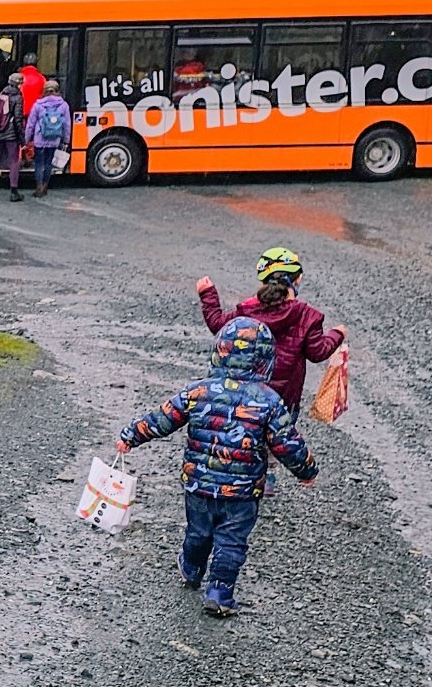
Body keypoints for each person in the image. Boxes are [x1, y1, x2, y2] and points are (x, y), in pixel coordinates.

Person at [118, 315, 318, 617]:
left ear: (219, 351)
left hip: (198, 483)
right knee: (231, 541)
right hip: (242, 492)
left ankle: (191, 566)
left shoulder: (198, 391)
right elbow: (286, 443)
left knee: (198, 532)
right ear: (265, 360)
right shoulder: (269, 401)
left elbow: (162, 418)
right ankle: (220, 592)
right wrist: (306, 470)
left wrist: (131, 436)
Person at [196, 246, 346, 414]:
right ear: (298, 279)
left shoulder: (247, 310)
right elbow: (317, 352)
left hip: (245, 395)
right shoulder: (307, 316)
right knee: (281, 437)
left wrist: (208, 294)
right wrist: (337, 334)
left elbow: (217, 324)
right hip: (284, 400)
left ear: (262, 280)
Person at [26, 82, 73, 197]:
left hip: (39, 139)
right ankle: (45, 186)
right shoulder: (64, 105)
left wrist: (26, 139)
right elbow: (67, 124)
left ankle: (38, 187)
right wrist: (66, 140)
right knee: (48, 163)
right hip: (54, 139)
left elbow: (31, 124)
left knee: (38, 164)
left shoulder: (38, 105)